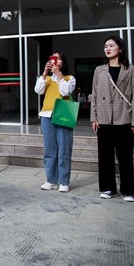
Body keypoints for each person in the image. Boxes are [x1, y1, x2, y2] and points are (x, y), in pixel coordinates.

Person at [91, 36, 134, 202]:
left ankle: (127, 191)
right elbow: (95, 95)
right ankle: (108, 188)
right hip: (104, 118)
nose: (107, 48)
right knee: (105, 157)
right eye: (105, 46)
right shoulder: (100, 70)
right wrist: (94, 118)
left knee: (125, 157)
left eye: (111, 45)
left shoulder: (131, 69)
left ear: (120, 48)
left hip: (124, 118)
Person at [34, 51, 76, 193]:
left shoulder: (69, 78)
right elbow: (38, 90)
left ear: (63, 62)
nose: (55, 61)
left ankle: (63, 181)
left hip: (62, 115)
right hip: (47, 115)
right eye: (53, 59)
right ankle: (51, 180)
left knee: (64, 149)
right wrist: (44, 74)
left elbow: (65, 92)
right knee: (50, 150)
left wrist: (59, 75)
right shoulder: (47, 79)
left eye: (58, 59)